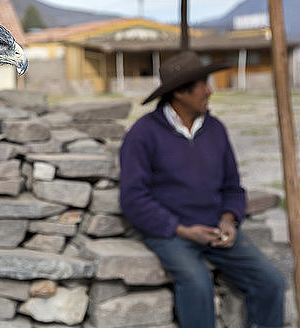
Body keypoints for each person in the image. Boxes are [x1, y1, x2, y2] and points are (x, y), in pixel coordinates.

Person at [119, 51, 286, 328]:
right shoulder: (143, 134)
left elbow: (233, 186)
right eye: (203, 85)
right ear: (180, 94)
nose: (210, 91)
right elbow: (133, 198)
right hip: (170, 233)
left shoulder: (216, 129)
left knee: (271, 282)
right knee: (197, 285)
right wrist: (181, 229)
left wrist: (229, 219)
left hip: (215, 230)